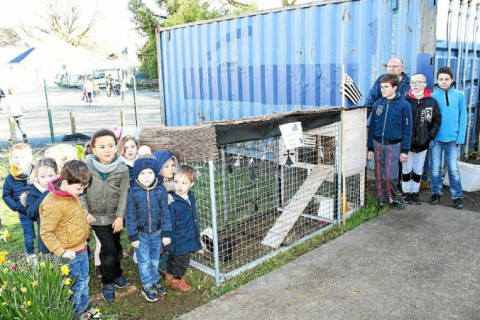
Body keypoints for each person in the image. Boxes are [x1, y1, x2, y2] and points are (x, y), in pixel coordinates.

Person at [39, 160, 101, 319]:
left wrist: (86, 214)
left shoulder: (71, 194)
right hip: (68, 253)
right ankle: (77, 313)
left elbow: (76, 210)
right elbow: (46, 232)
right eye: (79, 188)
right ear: (65, 182)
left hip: (81, 248)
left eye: (83, 188)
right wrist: (61, 252)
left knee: (84, 280)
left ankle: (85, 306)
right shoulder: (52, 204)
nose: (80, 192)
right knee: (75, 285)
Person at [80, 129, 131, 302]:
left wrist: (120, 216)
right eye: (102, 146)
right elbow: (80, 192)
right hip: (96, 217)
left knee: (116, 247)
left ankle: (117, 274)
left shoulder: (122, 168)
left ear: (116, 147)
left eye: (111, 146)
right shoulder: (86, 168)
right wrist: (86, 211)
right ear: (94, 149)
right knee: (108, 248)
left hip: (115, 216)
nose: (107, 150)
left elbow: (124, 193)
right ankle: (107, 281)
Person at [125, 157, 172, 302]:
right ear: (137, 175)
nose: (147, 177)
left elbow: (165, 211)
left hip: (157, 233)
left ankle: (155, 279)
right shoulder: (133, 191)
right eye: (143, 173)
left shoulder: (160, 188)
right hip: (141, 235)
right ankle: (147, 284)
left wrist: (166, 232)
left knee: (155, 259)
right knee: (144, 261)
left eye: (150, 173)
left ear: (155, 174)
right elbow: (130, 214)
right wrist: (133, 236)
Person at [367, 74, 412, 209]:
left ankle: (392, 198)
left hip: (394, 144)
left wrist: (404, 150)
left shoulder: (404, 105)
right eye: (381, 87)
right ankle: (381, 198)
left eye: (386, 87)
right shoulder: (377, 104)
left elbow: (407, 129)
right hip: (377, 143)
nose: (383, 89)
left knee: (390, 174)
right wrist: (370, 148)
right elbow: (372, 127)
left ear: (395, 88)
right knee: (379, 173)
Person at [429, 66, 467, 209]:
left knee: (453, 168)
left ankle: (457, 196)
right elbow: (430, 120)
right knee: (435, 168)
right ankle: (435, 193)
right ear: (437, 80)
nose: (444, 82)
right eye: (441, 79)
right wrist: (431, 139)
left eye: (446, 79)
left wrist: (460, 138)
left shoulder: (459, 95)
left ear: (452, 80)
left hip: (453, 139)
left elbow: (463, 117)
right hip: (437, 139)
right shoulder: (433, 96)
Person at [402, 74, 441, 205]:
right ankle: (406, 192)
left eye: (419, 82)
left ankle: (415, 192)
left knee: (418, 169)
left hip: (423, 143)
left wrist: (429, 137)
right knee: (406, 169)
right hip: (407, 143)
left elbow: (436, 121)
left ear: (425, 84)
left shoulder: (431, 102)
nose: (415, 85)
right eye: (413, 82)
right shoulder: (405, 101)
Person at [164, 165, 201, 292]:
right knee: (182, 261)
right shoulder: (172, 201)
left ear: (191, 184)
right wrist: (167, 236)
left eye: (184, 183)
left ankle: (170, 276)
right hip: (178, 237)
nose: (179, 186)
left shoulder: (190, 196)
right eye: (176, 182)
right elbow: (168, 221)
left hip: (188, 234)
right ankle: (176, 281)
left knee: (175, 258)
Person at [2, 143, 36, 261]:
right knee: (29, 236)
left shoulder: (36, 172)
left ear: (29, 157)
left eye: (22, 157)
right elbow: (6, 195)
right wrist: (16, 206)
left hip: (39, 210)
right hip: (24, 213)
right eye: (15, 157)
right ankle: (31, 255)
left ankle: (46, 251)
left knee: (44, 233)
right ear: (11, 159)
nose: (18, 160)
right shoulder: (10, 178)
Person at [24, 157, 59, 258]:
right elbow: (32, 213)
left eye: (51, 176)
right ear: (37, 177)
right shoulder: (32, 191)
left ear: (57, 174)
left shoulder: (62, 188)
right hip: (45, 237)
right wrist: (46, 193)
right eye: (43, 177)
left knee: (64, 264)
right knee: (48, 264)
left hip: (62, 235)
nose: (47, 180)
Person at [153, 150, 178, 275]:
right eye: (166, 166)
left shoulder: (173, 184)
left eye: (173, 166)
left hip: (171, 222)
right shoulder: (157, 186)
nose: (171, 169)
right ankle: (162, 268)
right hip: (160, 224)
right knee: (162, 246)